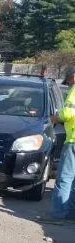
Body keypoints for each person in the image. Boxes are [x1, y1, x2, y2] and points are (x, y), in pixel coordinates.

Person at [48, 71, 75, 221]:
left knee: (65, 178)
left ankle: (57, 215)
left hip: (73, 140)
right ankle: (71, 214)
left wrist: (55, 117)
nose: (69, 84)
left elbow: (68, 113)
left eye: (69, 81)